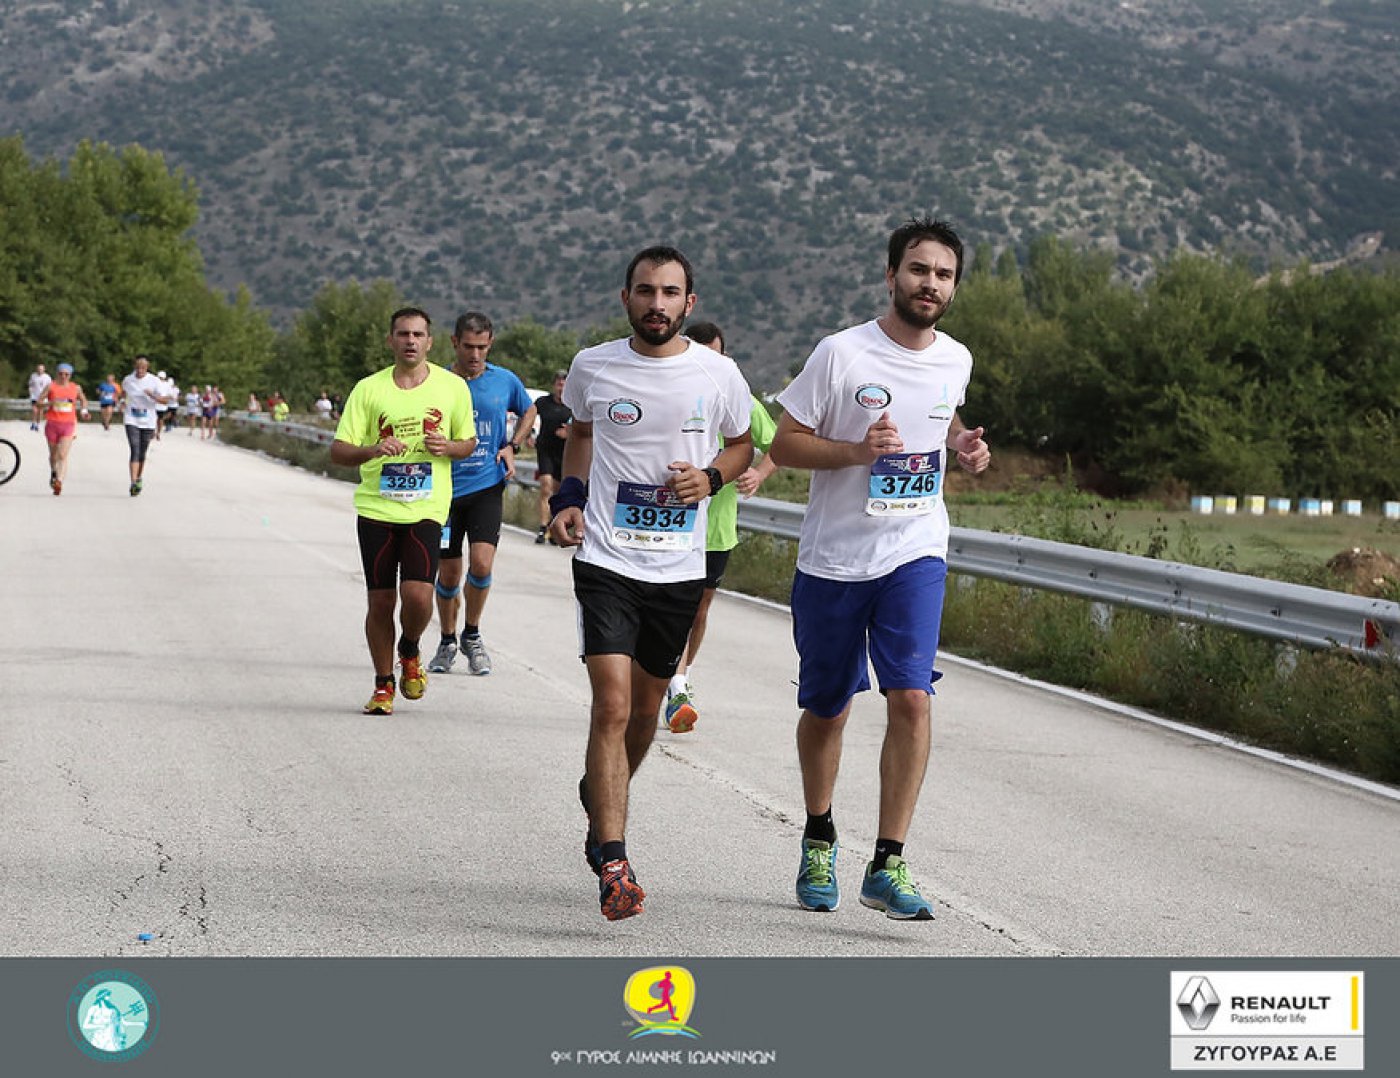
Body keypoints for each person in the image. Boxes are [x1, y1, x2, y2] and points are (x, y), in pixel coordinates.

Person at [770, 217, 991, 921]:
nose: (931, 284)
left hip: (915, 547)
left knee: (913, 697)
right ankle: (819, 837)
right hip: (835, 560)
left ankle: (888, 862)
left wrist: (962, 445)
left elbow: (941, 420)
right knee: (828, 708)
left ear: (954, 287)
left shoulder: (956, 359)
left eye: (944, 275)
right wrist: (857, 452)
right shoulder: (842, 354)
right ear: (892, 275)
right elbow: (785, 444)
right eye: (919, 270)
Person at [550, 245, 754, 921]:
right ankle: (614, 861)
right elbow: (580, 433)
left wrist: (712, 477)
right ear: (626, 298)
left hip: (678, 569)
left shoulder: (719, 374)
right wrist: (569, 498)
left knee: (644, 714)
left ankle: (600, 797)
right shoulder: (594, 365)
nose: (656, 304)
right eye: (645, 291)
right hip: (607, 560)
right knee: (611, 708)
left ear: (688, 303)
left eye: (670, 293)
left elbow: (742, 445)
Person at [330, 307, 476, 715]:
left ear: (430, 342)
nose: (410, 341)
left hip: (426, 508)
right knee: (380, 603)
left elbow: (467, 442)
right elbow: (338, 451)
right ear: (390, 340)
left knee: (417, 595)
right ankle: (383, 685)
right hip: (377, 507)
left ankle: (409, 648)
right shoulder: (368, 389)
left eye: (417, 334)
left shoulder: (452, 387)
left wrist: (448, 447)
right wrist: (373, 449)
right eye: (403, 334)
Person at [661, 321, 780, 733]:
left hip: (716, 529)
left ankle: (680, 678)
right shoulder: (669, 391)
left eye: (716, 355)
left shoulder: (741, 398)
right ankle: (673, 685)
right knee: (669, 607)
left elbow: (778, 443)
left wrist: (759, 473)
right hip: (670, 523)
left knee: (698, 611)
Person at [427, 313, 536, 677]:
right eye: (468, 347)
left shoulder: (504, 380)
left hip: (486, 485)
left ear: (490, 344)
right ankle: (447, 640)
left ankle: (471, 634)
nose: (475, 355)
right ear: (454, 342)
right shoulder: (437, 381)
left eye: (482, 347)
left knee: (482, 564)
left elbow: (529, 409)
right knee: (447, 575)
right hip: (444, 490)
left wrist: (513, 445)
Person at [530, 369, 572, 544]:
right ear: (554, 386)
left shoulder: (573, 404)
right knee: (546, 487)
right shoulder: (543, 402)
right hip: (545, 449)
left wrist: (569, 433)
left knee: (558, 491)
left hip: (565, 453)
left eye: (564, 385)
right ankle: (542, 527)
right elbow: (528, 416)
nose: (561, 388)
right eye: (558, 384)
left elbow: (583, 428)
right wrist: (527, 435)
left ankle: (554, 527)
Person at [121, 355, 172, 496]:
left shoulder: (154, 381)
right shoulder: (128, 380)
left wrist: (152, 396)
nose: (140, 370)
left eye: (143, 367)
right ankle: (133, 482)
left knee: (142, 452)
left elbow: (165, 401)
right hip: (131, 419)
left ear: (147, 368)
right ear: (134, 366)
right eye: (138, 367)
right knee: (134, 449)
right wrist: (122, 402)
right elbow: (123, 393)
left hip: (148, 421)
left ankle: (138, 477)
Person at [37, 363, 90, 495]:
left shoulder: (75, 388)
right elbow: (38, 403)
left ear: (70, 375)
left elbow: (83, 400)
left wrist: (84, 411)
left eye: (66, 374)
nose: (63, 376)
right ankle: (54, 472)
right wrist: (50, 403)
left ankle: (59, 482)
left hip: (68, 424)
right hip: (52, 424)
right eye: (61, 374)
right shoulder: (51, 386)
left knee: (63, 455)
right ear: (57, 374)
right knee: (53, 455)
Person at [28, 364, 51, 431]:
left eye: (41, 369)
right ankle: (33, 423)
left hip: (43, 396)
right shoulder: (33, 376)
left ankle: (38, 424)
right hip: (34, 396)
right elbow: (30, 385)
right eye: (38, 369)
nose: (39, 370)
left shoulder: (47, 377)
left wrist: (47, 394)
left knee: (40, 411)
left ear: (44, 369)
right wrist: (30, 392)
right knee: (34, 410)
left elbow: (50, 387)